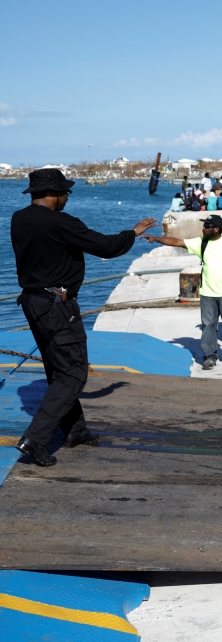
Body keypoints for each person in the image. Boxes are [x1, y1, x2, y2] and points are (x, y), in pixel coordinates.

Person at [10, 169, 157, 467]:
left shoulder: (19, 219)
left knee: (58, 368)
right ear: (53, 194)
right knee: (74, 373)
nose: (68, 196)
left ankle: (75, 430)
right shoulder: (61, 223)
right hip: (57, 306)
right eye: (66, 192)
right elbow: (107, 247)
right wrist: (134, 232)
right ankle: (35, 439)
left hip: (33, 302)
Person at [146, 214, 222, 369]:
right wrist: (156, 239)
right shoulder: (201, 243)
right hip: (207, 294)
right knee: (208, 326)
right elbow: (177, 242)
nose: (203, 229)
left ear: (216, 229)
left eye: (207, 226)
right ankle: (210, 357)